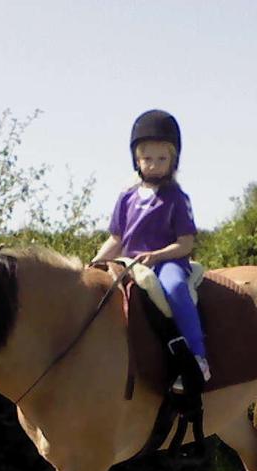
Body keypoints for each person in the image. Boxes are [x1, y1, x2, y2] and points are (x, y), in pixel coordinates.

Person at [93, 109, 210, 383]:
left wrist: (156, 255)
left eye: (161, 158)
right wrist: (92, 262)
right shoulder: (127, 198)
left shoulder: (177, 198)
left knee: (175, 288)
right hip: (128, 263)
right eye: (147, 158)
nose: (154, 164)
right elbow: (116, 239)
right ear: (137, 160)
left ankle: (198, 356)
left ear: (173, 160)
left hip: (167, 263)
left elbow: (185, 243)